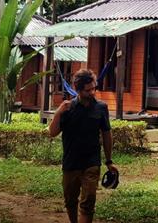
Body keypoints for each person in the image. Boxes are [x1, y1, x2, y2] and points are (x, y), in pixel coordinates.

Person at [49, 68, 118, 223]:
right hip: (71, 163)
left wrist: (109, 161)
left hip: (91, 162)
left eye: (94, 88)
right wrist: (58, 112)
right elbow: (52, 132)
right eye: (88, 90)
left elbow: (107, 134)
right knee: (70, 201)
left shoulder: (101, 107)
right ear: (78, 90)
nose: (92, 92)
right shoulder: (67, 109)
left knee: (88, 202)